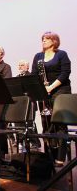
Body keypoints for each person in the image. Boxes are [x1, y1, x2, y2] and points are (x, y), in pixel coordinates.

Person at [31, 31, 71, 166]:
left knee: (60, 122)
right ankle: (49, 155)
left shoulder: (61, 54)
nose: (43, 41)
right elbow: (34, 74)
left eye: (46, 39)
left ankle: (60, 157)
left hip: (60, 90)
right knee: (46, 122)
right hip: (44, 92)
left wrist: (51, 87)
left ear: (54, 41)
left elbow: (65, 72)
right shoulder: (38, 56)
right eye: (42, 39)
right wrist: (41, 88)